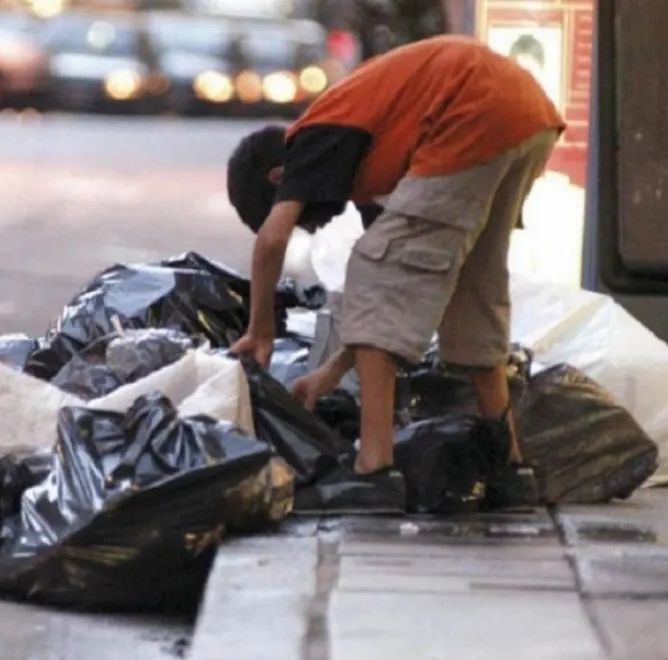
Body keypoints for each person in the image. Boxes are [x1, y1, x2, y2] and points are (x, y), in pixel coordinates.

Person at [226, 35, 565, 514]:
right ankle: (511, 468)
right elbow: (398, 296)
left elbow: (272, 242)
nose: (313, 225)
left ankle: (373, 469)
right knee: (472, 290)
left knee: (372, 270)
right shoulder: (368, 161)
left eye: (300, 215)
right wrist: (330, 372)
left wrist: (259, 330)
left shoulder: (313, 136)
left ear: (278, 180)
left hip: (470, 110)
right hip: (525, 114)